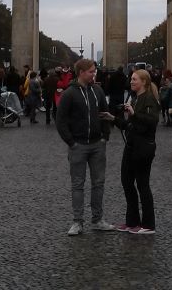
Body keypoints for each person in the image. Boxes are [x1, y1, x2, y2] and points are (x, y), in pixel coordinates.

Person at [55, 58, 115, 236]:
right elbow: (61, 120)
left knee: (98, 183)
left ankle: (97, 220)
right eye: (91, 71)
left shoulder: (98, 90)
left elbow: (105, 113)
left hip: (97, 144)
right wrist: (71, 142)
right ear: (81, 72)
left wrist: (105, 136)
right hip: (78, 145)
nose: (94, 74)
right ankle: (77, 222)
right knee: (78, 185)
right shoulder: (69, 94)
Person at [113, 67, 159, 234]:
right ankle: (132, 222)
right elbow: (131, 126)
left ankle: (148, 225)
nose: (131, 81)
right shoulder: (134, 98)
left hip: (143, 148)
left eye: (134, 79)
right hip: (131, 145)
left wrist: (134, 113)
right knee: (126, 182)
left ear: (144, 82)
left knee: (142, 185)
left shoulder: (149, 98)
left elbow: (152, 122)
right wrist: (114, 119)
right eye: (131, 79)